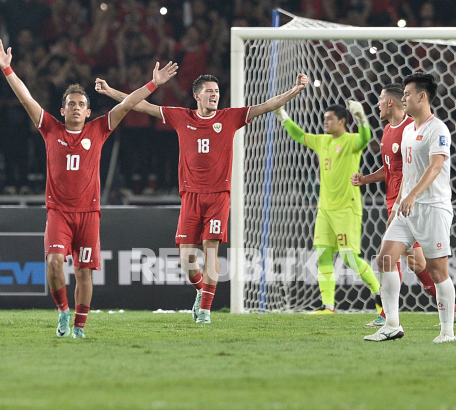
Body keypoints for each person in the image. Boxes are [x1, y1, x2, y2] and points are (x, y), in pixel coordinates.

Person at [0, 39, 177, 339]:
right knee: (53, 263)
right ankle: (64, 312)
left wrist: (152, 85)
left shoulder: (99, 129)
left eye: (81, 105)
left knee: (83, 273)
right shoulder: (51, 128)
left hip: (89, 213)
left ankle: (79, 328)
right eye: (71, 104)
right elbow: (26, 99)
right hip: (59, 212)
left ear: (89, 112)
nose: (76, 108)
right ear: (62, 111)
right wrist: (7, 69)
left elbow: (128, 104)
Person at [96, 73, 308, 324]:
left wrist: (295, 90)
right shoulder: (181, 117)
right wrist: (111, 92)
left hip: (218, 195)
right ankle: (201, 292)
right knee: (186, 259)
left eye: (217, 91)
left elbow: (268, 105)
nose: (214, 95)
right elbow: (139, 104)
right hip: (191, 196)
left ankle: (205, 311)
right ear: (197, 96)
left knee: (210, 252)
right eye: (209, 91)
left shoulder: (229, 117)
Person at [351, 84, 456, 327]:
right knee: (408, 261)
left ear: (391, 102)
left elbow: (432, 166)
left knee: (411, 261)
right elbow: (391, 168)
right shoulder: (391, 131)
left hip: (417, 202)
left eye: (381, 100)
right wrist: (367, 179)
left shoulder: (413, 128)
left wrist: (408, 197)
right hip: (399, 199)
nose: (378, 104)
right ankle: (439, 312)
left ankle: (394, 315)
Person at [272, 100, 381, 313]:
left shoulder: (350, 141)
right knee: (323, 255)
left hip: (346, 208)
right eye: (324, 118)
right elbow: (299, 135)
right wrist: (282, 116)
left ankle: (379, 295)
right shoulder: (322, 141)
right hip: (324, 209)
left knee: (349, 257)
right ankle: (328, 306)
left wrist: (360, 118)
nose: (326, 122)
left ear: (342, 121)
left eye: (330, 118)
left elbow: (365, 138)